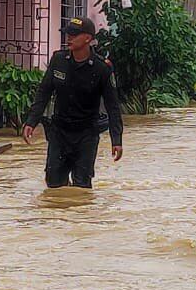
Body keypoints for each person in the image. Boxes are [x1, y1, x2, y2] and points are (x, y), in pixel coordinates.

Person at [22, 15, 123, 189]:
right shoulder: (58, 60)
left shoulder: (101, 68)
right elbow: (44, 92)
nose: (69, 38)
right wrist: (31, 121)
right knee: (53, 183)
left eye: (74, 35)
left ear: (88, 38)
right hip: (60, 132)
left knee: (81, 186)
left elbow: (112, 106)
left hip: (86, 134)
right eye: (67, 34)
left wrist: (117, 140)